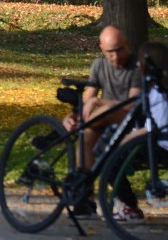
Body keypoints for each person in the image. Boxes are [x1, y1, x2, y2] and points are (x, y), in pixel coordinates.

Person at [53, 25, 142, 216]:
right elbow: (88, 99)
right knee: (85, 135)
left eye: (120, 49)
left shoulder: (137, 66)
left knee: (107, 110)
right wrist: (75, 116)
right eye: (110, 52)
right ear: (102, 49)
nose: (116, 57)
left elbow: (132, 104)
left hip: (129, 120)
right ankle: (84, 198)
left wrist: (99, 102)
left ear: (127, 45)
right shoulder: (99, 65)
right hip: (101, 121)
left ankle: (59, 134)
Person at [107, 41, 168, 224]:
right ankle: (125, 204)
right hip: (161, 142)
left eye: (140, 61)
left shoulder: (162, 92)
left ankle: (130, 207)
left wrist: (128, 138)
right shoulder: (159, 87)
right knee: (111, 147)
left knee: (112, 157)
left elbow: (156, 126)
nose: (138, 65)